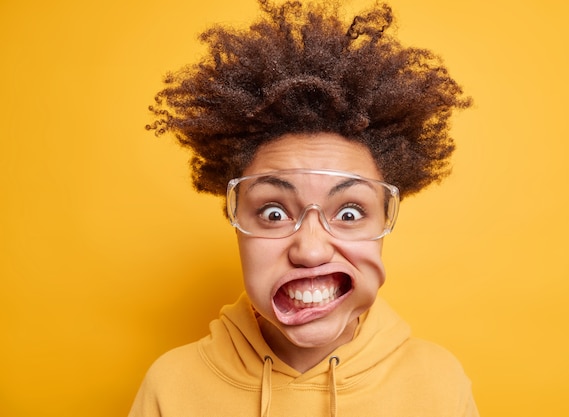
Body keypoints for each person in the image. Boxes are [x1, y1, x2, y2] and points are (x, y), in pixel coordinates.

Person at [130, 0, 477, 416]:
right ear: (235, 220)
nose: (310, 251)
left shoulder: (439, 383)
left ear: (385, 219)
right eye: (274, 213)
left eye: (349, 213)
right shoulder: (171, 386)